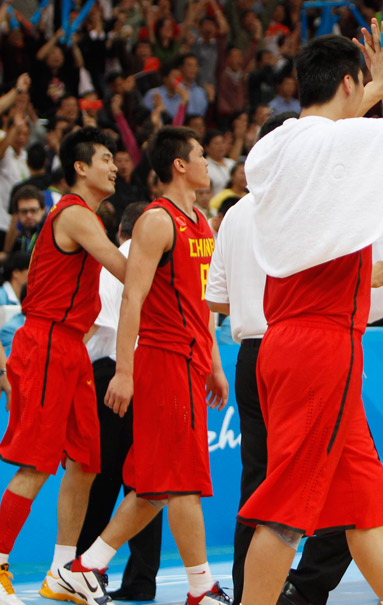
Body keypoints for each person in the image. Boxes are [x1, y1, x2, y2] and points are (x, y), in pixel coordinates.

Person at [237, 16, 383, 605]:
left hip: (282, 341)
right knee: (285, 513)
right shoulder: (346, 145)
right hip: (322, 344)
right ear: (347, 83)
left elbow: (328, 128)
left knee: (363, 503)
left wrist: (376, 84)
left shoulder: (270, 148)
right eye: (358, 86)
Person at [57, 127, 231, 605]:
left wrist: (214, 363)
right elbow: (132, 298)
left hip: (192, 360)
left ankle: (86, 566)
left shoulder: (202, 223)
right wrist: (125, 371)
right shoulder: (157, 221)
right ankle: (200, 587)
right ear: (180, 165)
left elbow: (203, 305)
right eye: (201, 154)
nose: (208, 163)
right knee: (183, 481)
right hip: (164, 359)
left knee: (154, 487)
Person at [0, 127, 126, 604]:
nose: (114, 167)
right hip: (46, 342)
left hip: (73, 347)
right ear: (80, 166)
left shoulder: (86, 216)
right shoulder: (73, 213)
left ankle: (61, 570)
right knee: (36, 464)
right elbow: (123, 268)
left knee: (86, 463)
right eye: (106, 158)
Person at [204, 111, 293, 605]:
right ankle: (291, 586)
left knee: (257, 478)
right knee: (300, 478)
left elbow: (216, 299)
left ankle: (249, 591)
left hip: (249, 353)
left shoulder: (235, 212)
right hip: (291, 348)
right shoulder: (300, 200)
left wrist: (248, 297)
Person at [75, 202, 163, 603]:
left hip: (114, 373)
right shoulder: (159, 258)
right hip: (152, 372)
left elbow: (97, 325)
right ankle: (142, 580)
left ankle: (84, 570)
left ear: (122, 231)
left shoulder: (117, 260)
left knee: (100, 478)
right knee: (146, 483)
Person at [5, 186, 46, 256]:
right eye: (24, 211)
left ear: (43, 210)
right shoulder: (20, 233)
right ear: (17, 213)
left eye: (33, 210)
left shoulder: (50, 233)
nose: (29, 215)